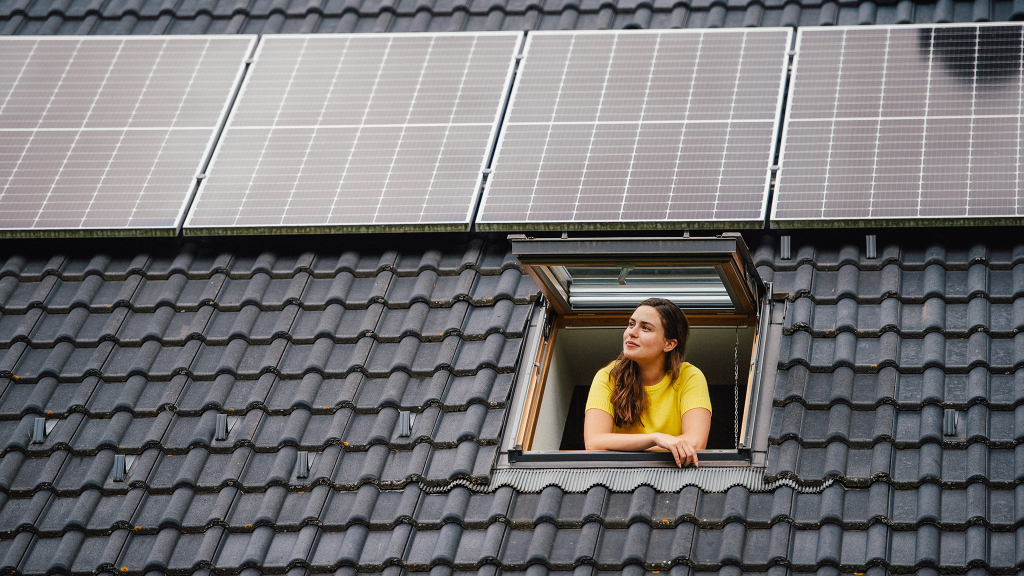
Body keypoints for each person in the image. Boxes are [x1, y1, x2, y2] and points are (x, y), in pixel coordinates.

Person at [583, 297, 712, 467]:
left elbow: (695, 443)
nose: (632, 332)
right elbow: (594, 443)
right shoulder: (608, 376)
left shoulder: (689, 377)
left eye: (645, 328)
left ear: (669, 344)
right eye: (631, 324)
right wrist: (655, 438)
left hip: (675, 475)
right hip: (618, 474)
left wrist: (621, 446)